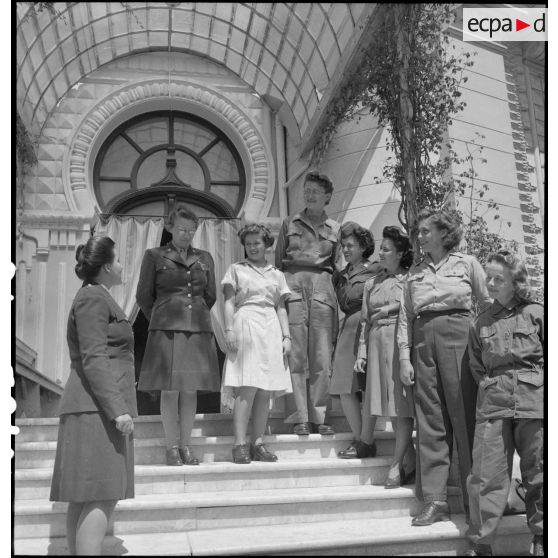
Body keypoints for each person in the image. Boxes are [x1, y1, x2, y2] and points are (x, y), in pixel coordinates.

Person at [397, 208, 491, 526]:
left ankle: (475, 499)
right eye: (419, 232)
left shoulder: (467, 264)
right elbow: (405, 317)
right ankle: (436, 501)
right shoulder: (414, 273)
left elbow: (488, 303)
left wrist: (489, 345)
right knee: (430, 420)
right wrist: (404, 358)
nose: (420, 236)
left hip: (459, 336)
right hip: (423, 341)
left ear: (443, 233)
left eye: (426, 231)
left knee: (465, 417)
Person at [50, 236, 137, 555]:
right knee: (102, 493)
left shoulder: (97, 295)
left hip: (96, 407)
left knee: (88, 495)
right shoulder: (93, 299)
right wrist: (118, 410)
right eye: (117, 259)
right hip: (97, 409)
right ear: (105, 267)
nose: (122, 265)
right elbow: (94, 357)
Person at [464, 252, 543, 557]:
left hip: (534, 401)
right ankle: (481, 543)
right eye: (489, 277)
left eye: (500, 278)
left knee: (540, 471)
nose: (492, 283)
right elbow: (476, 364)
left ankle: (542, 537)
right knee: (487, 474)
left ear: (516, 282)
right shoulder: (481, 322)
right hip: (494, 403)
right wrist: (488, 385)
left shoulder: (538, 313)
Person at [136, 204, 220, 466]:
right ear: (170, 227)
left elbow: (211, 295)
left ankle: (186, 446)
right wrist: (162, 317)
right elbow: (143, 296)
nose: (186, 234)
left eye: (191, 230)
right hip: (166, 331)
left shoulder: (205, 257)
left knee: (190, 391)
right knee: (170, 391)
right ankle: (171, 447)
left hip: (197, 329)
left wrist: (193, 315)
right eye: (181, 229)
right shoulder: (154, 255)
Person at [220, 224, 293, 464]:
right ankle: (240, 443)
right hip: (246, 323)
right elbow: (229, 302)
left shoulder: (276, 274)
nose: (252, 247)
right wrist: (228, 329)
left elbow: (281, 306)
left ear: (267, 244)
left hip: (270, 326)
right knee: (247, 385)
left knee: (265, 390)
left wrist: (286, 336)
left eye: (257, 243)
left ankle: (258, 442)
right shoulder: (236, 269)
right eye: (248, 243)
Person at [275, 171, 340, 436]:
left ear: (327, 197)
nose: (309, 194)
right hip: (293, 288)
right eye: (307, 189)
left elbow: (339, 266)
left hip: (323, 289)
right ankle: (301, 417)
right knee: (296, 355)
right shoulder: (289, 223)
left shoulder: (336, 228)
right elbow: (279, 262)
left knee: (322, 357)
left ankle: (319, 416)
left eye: (315, 190)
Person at [355, 226, 416, 487]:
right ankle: (410, 462)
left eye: (387, 249)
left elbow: (413, 308)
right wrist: (362, 352)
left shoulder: (410, 280)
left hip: (400, 343)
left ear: (400, 253)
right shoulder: (371, 283)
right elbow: (365, 322)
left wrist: (390, 307)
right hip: (377, 342)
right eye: (381, 247)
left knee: (401, 408)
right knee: (389, 408)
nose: (380, 252)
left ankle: (396, 463)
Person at [330, 222, 380, 458]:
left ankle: (365, 440)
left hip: (368, 327)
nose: (346, 249)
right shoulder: (339, 276)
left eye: (351, 245)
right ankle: (361, 439)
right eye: (343, 245)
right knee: (344, 387)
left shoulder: (377, 270)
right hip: (348, 328)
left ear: (363, 246)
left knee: (369, 386)